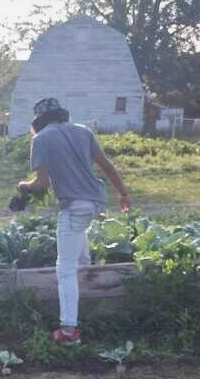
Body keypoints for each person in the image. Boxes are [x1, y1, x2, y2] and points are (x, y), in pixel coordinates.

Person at [16, 97, 132, 346]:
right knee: (80, 255)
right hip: (97, 202)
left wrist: (23, 186)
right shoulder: (83, 131)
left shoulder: (41, 139)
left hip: (74, 206)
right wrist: (123, 193)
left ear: (39, 121)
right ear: (62, 114)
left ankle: (68, 331)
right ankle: (88, 284)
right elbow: (107, 167)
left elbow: (42, 184)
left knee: (65, 268)